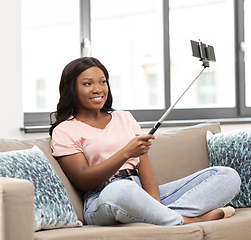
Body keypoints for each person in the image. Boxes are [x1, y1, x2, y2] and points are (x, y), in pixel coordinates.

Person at [49, 57, 241, 226]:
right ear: (71, 89)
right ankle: (191, 220)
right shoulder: (64, 130)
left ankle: (158, 215)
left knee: (226, 176)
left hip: (139, 191)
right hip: (104, 197)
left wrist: (154, 202)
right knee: (121, 189)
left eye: (103, 82)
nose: (98, 89)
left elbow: (144, 165)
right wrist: (125, 153)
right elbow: (83, 180)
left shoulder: (124, 118)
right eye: (87, 84)